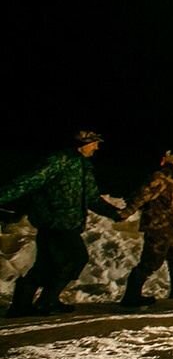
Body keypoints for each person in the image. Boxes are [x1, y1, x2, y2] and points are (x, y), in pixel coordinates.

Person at [0, 130, 121, 316]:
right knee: (75, 258)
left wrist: (114, 212)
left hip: (67, 223)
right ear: (83, 143)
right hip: (55, 222)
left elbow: (92, 197)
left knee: (45, 265)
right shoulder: (58, 160)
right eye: (94, 143)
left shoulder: (83, 165)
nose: (97, 147)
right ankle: (47, 301)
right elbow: (28, 181)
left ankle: (20, 306)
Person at [117, 150, 173, 307]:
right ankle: (131, 296)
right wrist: (126, 212)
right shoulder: (160, 179)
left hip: (171, 231)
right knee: (151, 262)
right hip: (158, 230)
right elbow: (141, 196)